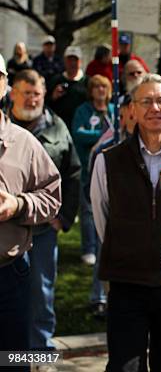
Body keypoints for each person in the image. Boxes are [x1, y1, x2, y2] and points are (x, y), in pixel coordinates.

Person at [90, 74, 161, 371]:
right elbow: (102, 218)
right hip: (126, 283)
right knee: (125, 367)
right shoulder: (107, 161)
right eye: (145, 101)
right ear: (132, 110)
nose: (154, 108)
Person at [8, 69, 81, 351]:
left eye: (36, 93)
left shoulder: (57, 127)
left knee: (42, 296)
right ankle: (12, 357)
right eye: (26, 93)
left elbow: (73, 174)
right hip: (6, 232)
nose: (32, 99)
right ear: (12, 93)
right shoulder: (3, 126)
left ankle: (42, 356)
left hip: (42, 231)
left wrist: (63, 218)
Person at [0, 54, 61, 370]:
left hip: (11, 269)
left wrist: (18, 205)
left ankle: (43, 355)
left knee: (14, 358)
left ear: (3, 86)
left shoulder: (25, 143)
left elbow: (53, 196)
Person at [72, 74, 116, 267]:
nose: (100, 90)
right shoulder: (83, 110)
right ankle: (89, 249)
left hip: (111, 169)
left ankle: (107, 246)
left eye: (103, 87)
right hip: (87, 168)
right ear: (90, 91)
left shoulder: (114, 111)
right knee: (88, 210)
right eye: (96, 87)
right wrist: (102, 136)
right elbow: (78, 133)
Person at [46, 46, 88, 129]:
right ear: (64, 61)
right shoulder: (55, 80)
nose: (72, 63)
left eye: (75, 60)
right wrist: (53, 97)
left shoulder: (87, 82)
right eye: (69, 60)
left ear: (80, 62)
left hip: (82, 126)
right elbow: (46, 104)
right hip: (59, 126)